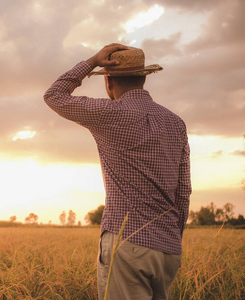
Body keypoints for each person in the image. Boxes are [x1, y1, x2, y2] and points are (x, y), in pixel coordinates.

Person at [43, 44, 191, 300]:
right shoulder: (175, 122)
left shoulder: (108, 113)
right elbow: (184, 191)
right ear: (144, 77)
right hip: (168, 249)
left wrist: (91, 61)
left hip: (128, 243)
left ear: (108, 82)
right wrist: (171, 239)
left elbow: (54, 95)